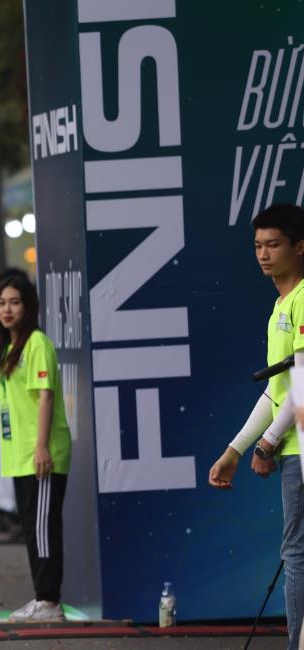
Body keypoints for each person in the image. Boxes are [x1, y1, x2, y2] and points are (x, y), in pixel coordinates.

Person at [208, 203, 304, 649]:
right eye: (258, 246)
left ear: (299, 247)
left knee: (297, 555)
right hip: (292, 448)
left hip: (298, 449)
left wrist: (266, 444)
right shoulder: (281, 304)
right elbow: (278, 390)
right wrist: (236, 448)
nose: (263, 254)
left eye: (274, 244)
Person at [0, 274, 71, 623]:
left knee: (43, 528)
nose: (7, 309)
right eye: (2, 303)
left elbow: (46, 397)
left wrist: (41, 447)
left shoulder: (37, 343)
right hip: (18, 454)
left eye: (15, 302)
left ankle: (50, 601)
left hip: (42, 452)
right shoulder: (7, 347)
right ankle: (42, 599)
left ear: (29, 306)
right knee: (31, 527)